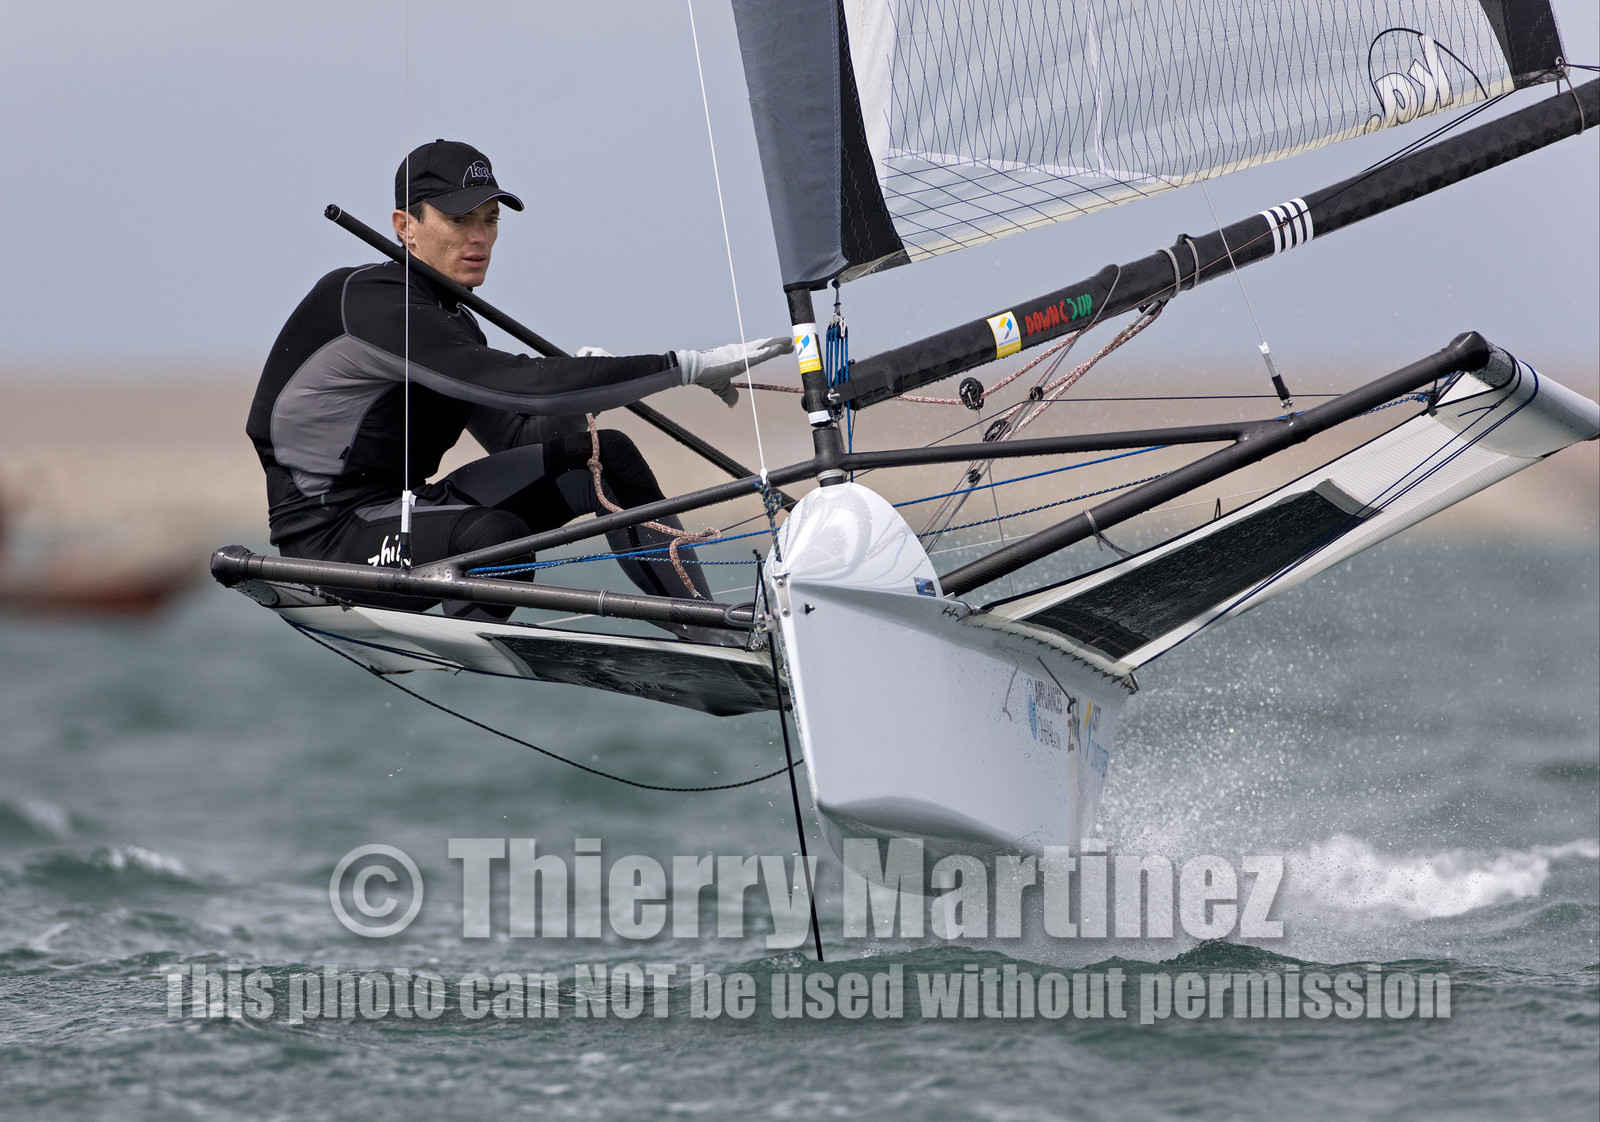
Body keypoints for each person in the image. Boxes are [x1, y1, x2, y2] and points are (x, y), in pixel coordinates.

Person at [247, 139, 790, 638]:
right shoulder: (371, 302)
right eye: (459, 219)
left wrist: (588, 388)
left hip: (407, 509)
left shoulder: (455, 323)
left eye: (490, 219)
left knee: (605, 457)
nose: (479, 237)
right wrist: (688, 366)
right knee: (494, 539)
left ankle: (713, 632)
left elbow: (520, 434)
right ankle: (467, 652)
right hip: (329, 542)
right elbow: (524, 387)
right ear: (404, 225)